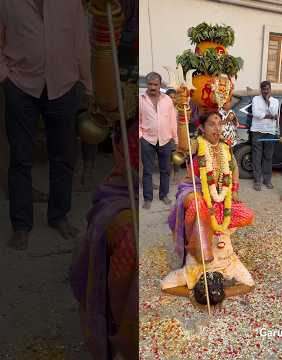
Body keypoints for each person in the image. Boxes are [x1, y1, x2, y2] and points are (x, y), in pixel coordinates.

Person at [0, 0, 92, 249]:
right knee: (20, 159)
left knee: (63, 157)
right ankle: (21, 225)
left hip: (63, 86)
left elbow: (81, 42)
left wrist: (87, 85)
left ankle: (58, 216)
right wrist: (4, 77)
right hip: (20, 86)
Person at [162, 110, 255, 304]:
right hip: (194, 189)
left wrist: (234, 190)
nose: (217, 128)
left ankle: (219, 235)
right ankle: (197, 250)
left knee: (246, 214)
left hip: (220, 198)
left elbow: (235, 168)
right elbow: (183, 146)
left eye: (219, 124)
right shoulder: (198, 144)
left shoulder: (225, 148)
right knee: (197, 205)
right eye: (212, 124)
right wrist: (181, 114)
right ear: (202, 128)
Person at [70, 118, 139, 360]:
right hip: (125, 192)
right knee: (132, 244)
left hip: (170, 189)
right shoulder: (130, 102)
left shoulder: (180, 108)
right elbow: (98, 122)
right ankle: (118, 331)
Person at [139, 72, 177, 209]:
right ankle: (148, 198)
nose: (153, 87)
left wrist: (175, 138)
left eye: (156, 84)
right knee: (147, 171)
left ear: (160, 85)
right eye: (150, 84)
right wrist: (140, 136)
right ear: (147, 84)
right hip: (147, 140)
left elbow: (172, 120)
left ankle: (163, 195)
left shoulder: (167, 100)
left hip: (165, 140)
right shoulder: (141, 100)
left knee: (165, 170)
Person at [250, 80, 279, 191]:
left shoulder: (275, 101)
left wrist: (268, 102)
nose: (265, 91)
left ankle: (267, 180)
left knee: (268, 156)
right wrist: (268, 116)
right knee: (257, 156)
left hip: (270, 132)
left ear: (270, 89)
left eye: (267, 89)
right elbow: (256, 113)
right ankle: (257, 181)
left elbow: (274, 113)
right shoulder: (255, 99)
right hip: (257, 131)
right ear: (261, 90)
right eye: (264, 89)